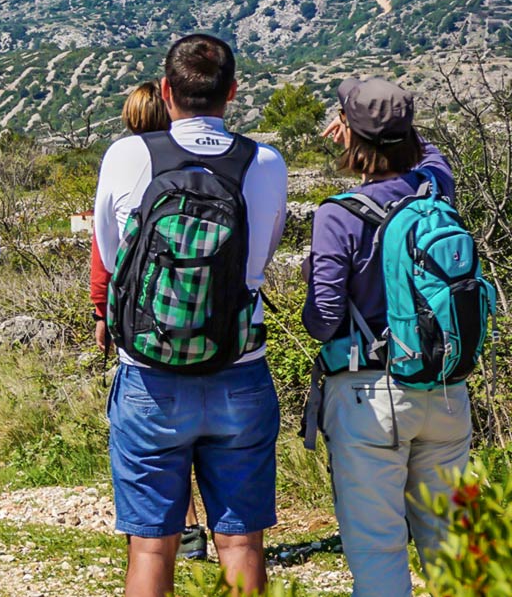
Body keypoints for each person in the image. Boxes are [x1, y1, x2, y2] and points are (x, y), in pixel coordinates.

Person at [93, 34, 287, 597]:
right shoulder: (265, 162)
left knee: (153, 545)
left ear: (164, 92)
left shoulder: (129, 156)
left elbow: (110, 256)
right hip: (239, 368)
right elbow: (263, 258)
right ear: (232, 92)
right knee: (242, 543)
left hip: (150, 378)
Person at [302, 77, 470, 597]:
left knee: (378, 549)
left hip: (369, 398)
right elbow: (434, 154)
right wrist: (389, 130)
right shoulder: (436, 187)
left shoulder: (338, 214)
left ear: (350, 137)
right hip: (445, 390)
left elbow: (324, 319)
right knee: (453, 550)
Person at [89, 80, 208, 562]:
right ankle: (198, 527)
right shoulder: (206, 163)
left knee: (158, 437)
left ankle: (169, 529)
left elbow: (105, 257)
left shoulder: (124, 160)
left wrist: (102, 312)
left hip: (145, 330)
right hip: (214, 328)